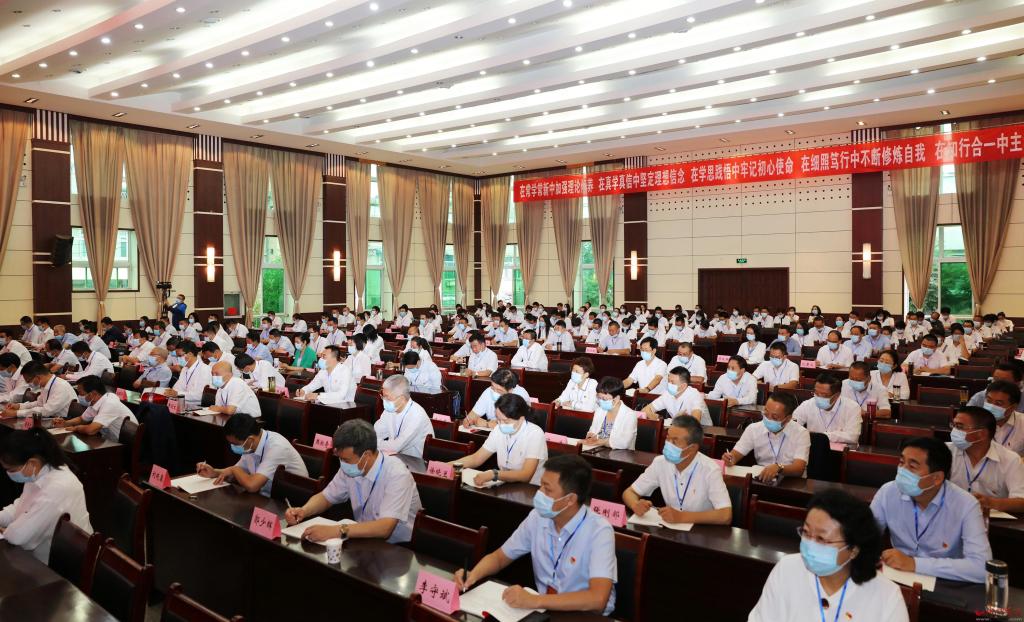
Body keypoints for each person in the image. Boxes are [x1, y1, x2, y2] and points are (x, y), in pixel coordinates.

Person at [456, 454, 616, 614]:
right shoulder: (538, 517)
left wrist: (535, 600)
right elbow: (499, 558)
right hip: (545, 609)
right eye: (541, 485)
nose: (539, 492)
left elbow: (597, 599)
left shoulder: (599, 531)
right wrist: (473, 575)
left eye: (547, 489)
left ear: (570, 499)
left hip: (584, 615)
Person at [749, 490, 908, 622]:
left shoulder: (887, 596)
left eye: (821, 539)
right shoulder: (786, 570)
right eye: (806, 532)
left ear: (854, 549)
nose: (810, 544)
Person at [870, 436, 990, 583]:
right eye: (901, 462)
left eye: (912, 466)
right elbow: (863, 535)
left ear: (936, 478)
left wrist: (915, 564)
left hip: (945, 582)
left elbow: (981, 567)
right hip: (897, 576)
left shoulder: (966, 505)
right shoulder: (888, 492)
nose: (902, 471)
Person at [284, 419, 422, 544]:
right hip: (363, 538)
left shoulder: (397, 474)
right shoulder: (351, 466)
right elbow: (327, 497)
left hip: (399, 548)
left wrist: (335, 531)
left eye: (346, 460)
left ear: (367, 455)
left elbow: (385, 528)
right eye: (340, 459)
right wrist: (304, 510)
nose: (343, 464)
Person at [0, 428, 92, 562]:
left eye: (11, 470)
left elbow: (18, 537)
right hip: (44, 555)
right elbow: (20, 506)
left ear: (32, 463)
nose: (8, 474)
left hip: (62, 564)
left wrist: (5, 531)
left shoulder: (58, 487)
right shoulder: (38, 473)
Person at [623, 415, 731, 525]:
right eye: (667, 438)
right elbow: (629, 492)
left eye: (674, 442)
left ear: (692, 448)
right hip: (670, 528)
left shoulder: (710, 470)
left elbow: (726, 515)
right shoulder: (660, 463)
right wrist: (635, 505)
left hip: (700, 531)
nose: (668, 444)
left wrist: (682, 517)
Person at [196, 413, 307, 497]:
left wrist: (234, 470)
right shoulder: (251, 445)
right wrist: (214, 472)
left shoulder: (276, 447)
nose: (232, 447)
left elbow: (252, 485)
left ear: (250, 439)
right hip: (268, 497)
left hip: (292, 503)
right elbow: (237, 471)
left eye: (235, 444)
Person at [454, 393, 547, 486]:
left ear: (521, 419)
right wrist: (450, 465)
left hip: (530, 488)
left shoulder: (535, 433)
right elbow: (476, 458)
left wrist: (494, 474)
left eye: (506, 421)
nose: (501, 424)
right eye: (498, 419)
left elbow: (526, 475)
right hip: (505, 484)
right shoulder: (498, 430)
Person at [947, 406, 1024, 513]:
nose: (954, 431)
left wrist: (990, 503)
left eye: (959, 427)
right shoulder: (944, 451)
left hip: (991, 519)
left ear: (981, 434)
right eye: (953, 425)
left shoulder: (1010, 459)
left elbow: (1021, 502)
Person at [723, 392, 810, 482]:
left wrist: (779, 468)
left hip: (791, 482)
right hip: (762, 479)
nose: (768, 419)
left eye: (774, 417)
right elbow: (736, 454)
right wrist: (730, 459)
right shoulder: (753, 429)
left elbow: (799, 469)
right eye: (766, 413)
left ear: (788, 418)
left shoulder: (801, 433)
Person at [54, 376, 138, 442]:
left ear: (93, 394)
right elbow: (82, 419)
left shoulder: (109, 403)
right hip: (109, 439)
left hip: (123, 444)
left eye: (80, 393)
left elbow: (91, 430)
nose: (79, 396)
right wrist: (65, 423)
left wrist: (76, 428)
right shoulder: (96, 401)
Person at [373, 374, 432, 459]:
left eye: (387, 397)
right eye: (383, 396)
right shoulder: (390, 410)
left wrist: (373, 443)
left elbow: (396, 447)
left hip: (415, 462)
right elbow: (376, 432)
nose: (384, 400)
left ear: (401, 398)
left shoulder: (417, 415)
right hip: (395, 458)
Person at [793, 374, 863, 445]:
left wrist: (821, 436)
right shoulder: (808, 404)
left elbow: (852, 437)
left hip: (840, 450)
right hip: (813, 448)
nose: (818, 397)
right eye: (816, 393)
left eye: (824, 395)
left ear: (837, 395)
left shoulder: (852, 407)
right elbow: (792, 425)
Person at [2, 362, 75, 420]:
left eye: (29, 381)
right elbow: (39, 403)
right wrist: (19, 406)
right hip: (50, 419)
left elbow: (46, 411)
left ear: (38, 377)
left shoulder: (60, 386)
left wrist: (16, 413)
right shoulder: (46, 385)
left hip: (61, 423)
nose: (28, 384)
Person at [464, 368, 531, 428]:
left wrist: (487, 423)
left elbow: (512, 426)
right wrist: (468, 420)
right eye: (493, 387)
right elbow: (471, 416)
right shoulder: (488, 391)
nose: (494, 392)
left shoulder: (520, 395)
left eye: (499, 390)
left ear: (510, 390)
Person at [641, 367, 709, 425]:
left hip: (702, 431)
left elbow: (695, 422)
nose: (669, 384)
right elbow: (645, 410)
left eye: (672, 382)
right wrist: (659, 418)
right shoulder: (667, 394)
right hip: (677, 427)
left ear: (683, 386)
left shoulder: (694, 395)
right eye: (668, 381)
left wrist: (677, 420)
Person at [584, 376, 638, 450]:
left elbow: (624, 443)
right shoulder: (599, 410)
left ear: (617, 398)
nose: (600, 401)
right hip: (597, 450)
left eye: (604, 399)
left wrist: (602, 441)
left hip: (621, 454)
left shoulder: (630, 415)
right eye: (599, 398)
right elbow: (592, 431)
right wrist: (591, 436)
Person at [978, 380, 1024, 455]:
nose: (991, 406)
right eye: (988, 401)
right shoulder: (973, 421)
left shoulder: (1022, 423)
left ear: (1012, 407)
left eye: (998, 403)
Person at [164, 341, 212, 406]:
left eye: (180, 356)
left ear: (190, 354)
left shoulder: (205, 369)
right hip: (181, 403)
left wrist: (177, 393)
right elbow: (177, 387)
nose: (178, 359)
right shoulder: (185, 368)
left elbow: (200, 395)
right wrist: (172, 392)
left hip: (197, 406)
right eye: (177, 356)